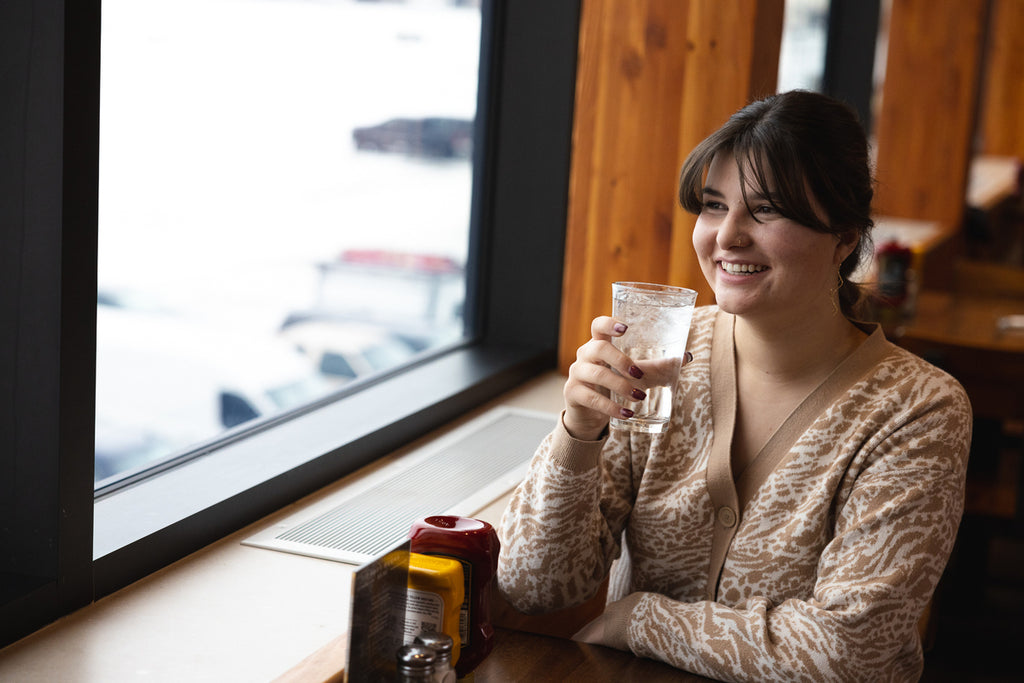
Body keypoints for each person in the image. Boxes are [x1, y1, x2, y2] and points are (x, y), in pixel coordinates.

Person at [496, 90, 972, 682]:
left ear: (845, 238)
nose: (728, 237)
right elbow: (535, 584)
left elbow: (848, 654)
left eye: (767, 210)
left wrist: (641, 620)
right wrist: (578, 432)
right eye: (714, 206)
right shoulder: (659, 355)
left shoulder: (919, 409)